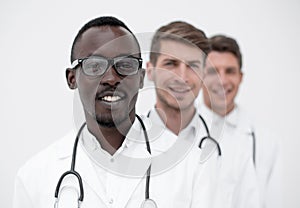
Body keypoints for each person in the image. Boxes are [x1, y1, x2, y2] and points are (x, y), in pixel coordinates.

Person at [13, 16, 220, 208]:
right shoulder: (34, 177)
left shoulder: (193, 166)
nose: (111, 78)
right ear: (72, 79)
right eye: (94, 66)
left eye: (125, 65)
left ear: (140, 78)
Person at [146, 21, 260, 208]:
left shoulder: (235, 148)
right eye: (171, 63)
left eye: (192, 65)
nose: (182, 77)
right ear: (150, 71)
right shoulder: (125, 143)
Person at [198, 34, 281, 208]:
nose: (222, 81)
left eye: (230, 71)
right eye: (213, 71)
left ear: (241, 77)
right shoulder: (180, 131)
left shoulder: (264, 139)